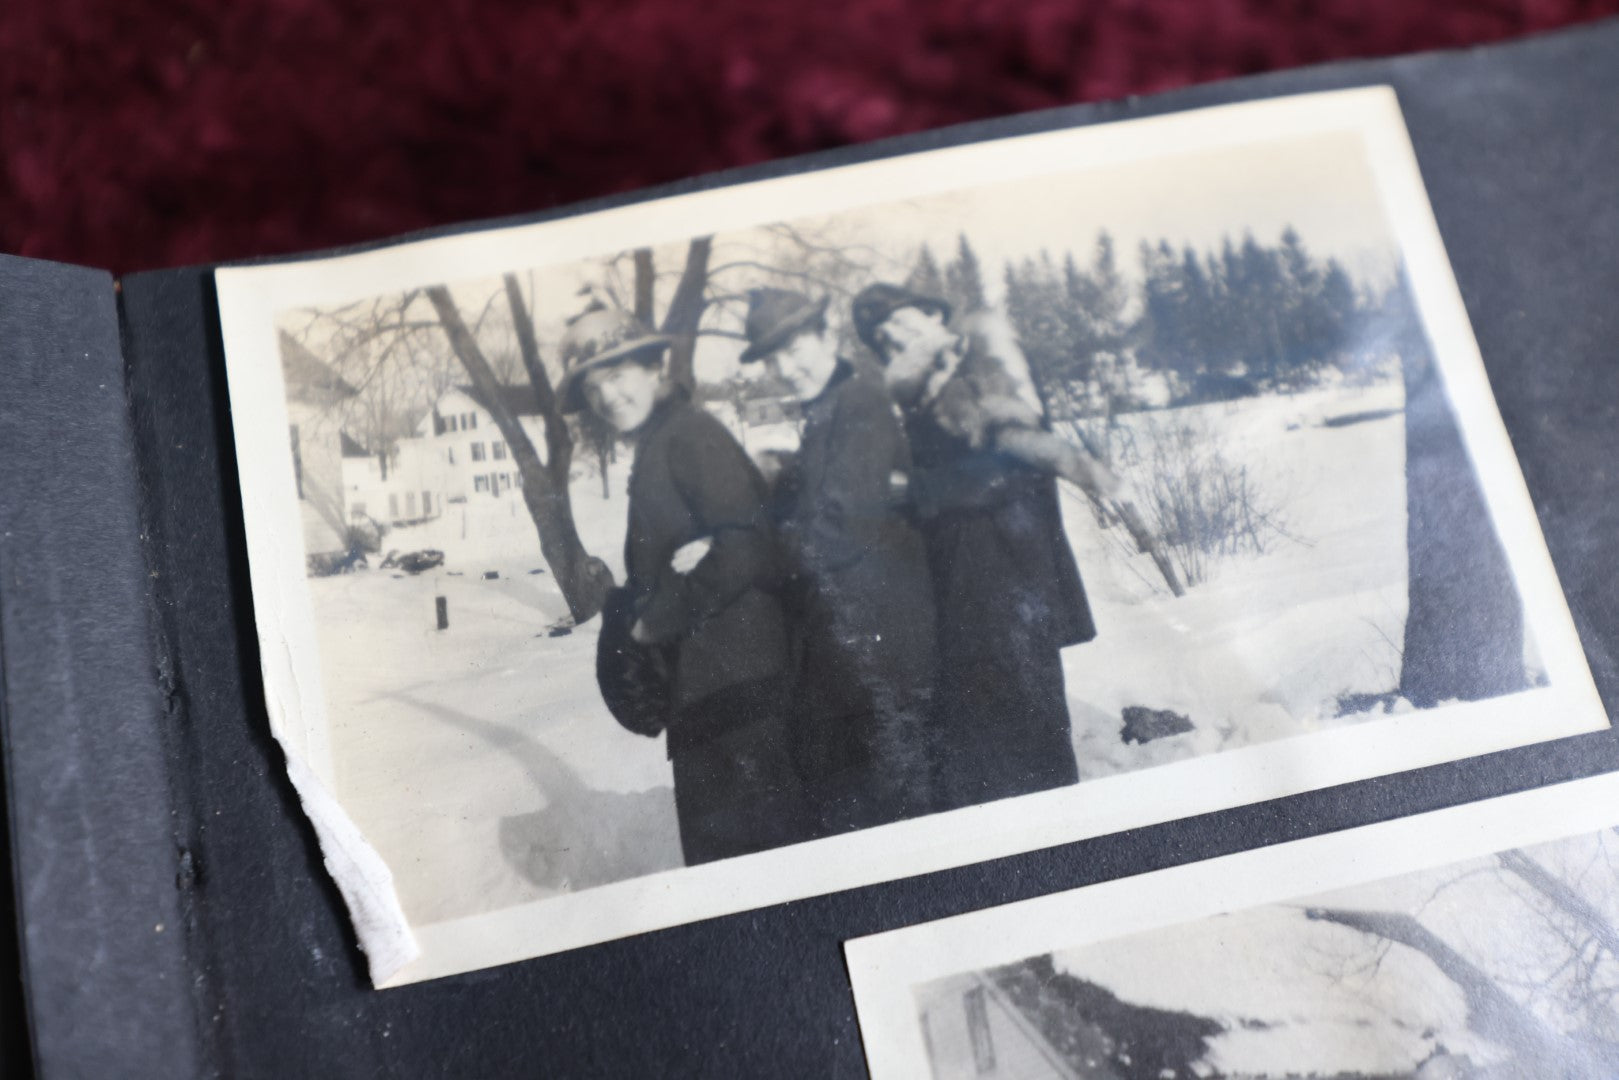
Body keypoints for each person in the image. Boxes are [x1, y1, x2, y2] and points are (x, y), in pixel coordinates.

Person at [558, 304, 811, 865]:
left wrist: (658, 619)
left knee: (761, 870)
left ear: (653, 368)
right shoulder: (659, 443)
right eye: (594, 388)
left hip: (740, 690)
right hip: (708, 693)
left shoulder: (691, 434)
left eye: (618, 375)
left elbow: (748, 541)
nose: (608, 396)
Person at [850, 282, 1095, 810]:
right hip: (970, 586)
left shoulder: (984, 363)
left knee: (1030, 746)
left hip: (1011, 580)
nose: (899, 338)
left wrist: (916, 491)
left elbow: (1017, 463)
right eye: (885, 337)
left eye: (905, 320)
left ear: (934, 316)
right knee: (990, 747)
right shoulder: (926, 388)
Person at [737, 288, 938, 834]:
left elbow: (842, 527)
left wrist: (751, 559)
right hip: (853, 659)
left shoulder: (860, 401)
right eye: (774, 359)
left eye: (796, 347)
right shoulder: (825, 413)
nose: (787, 366)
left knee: (904, 828)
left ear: (827, 336)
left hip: (888, 662)